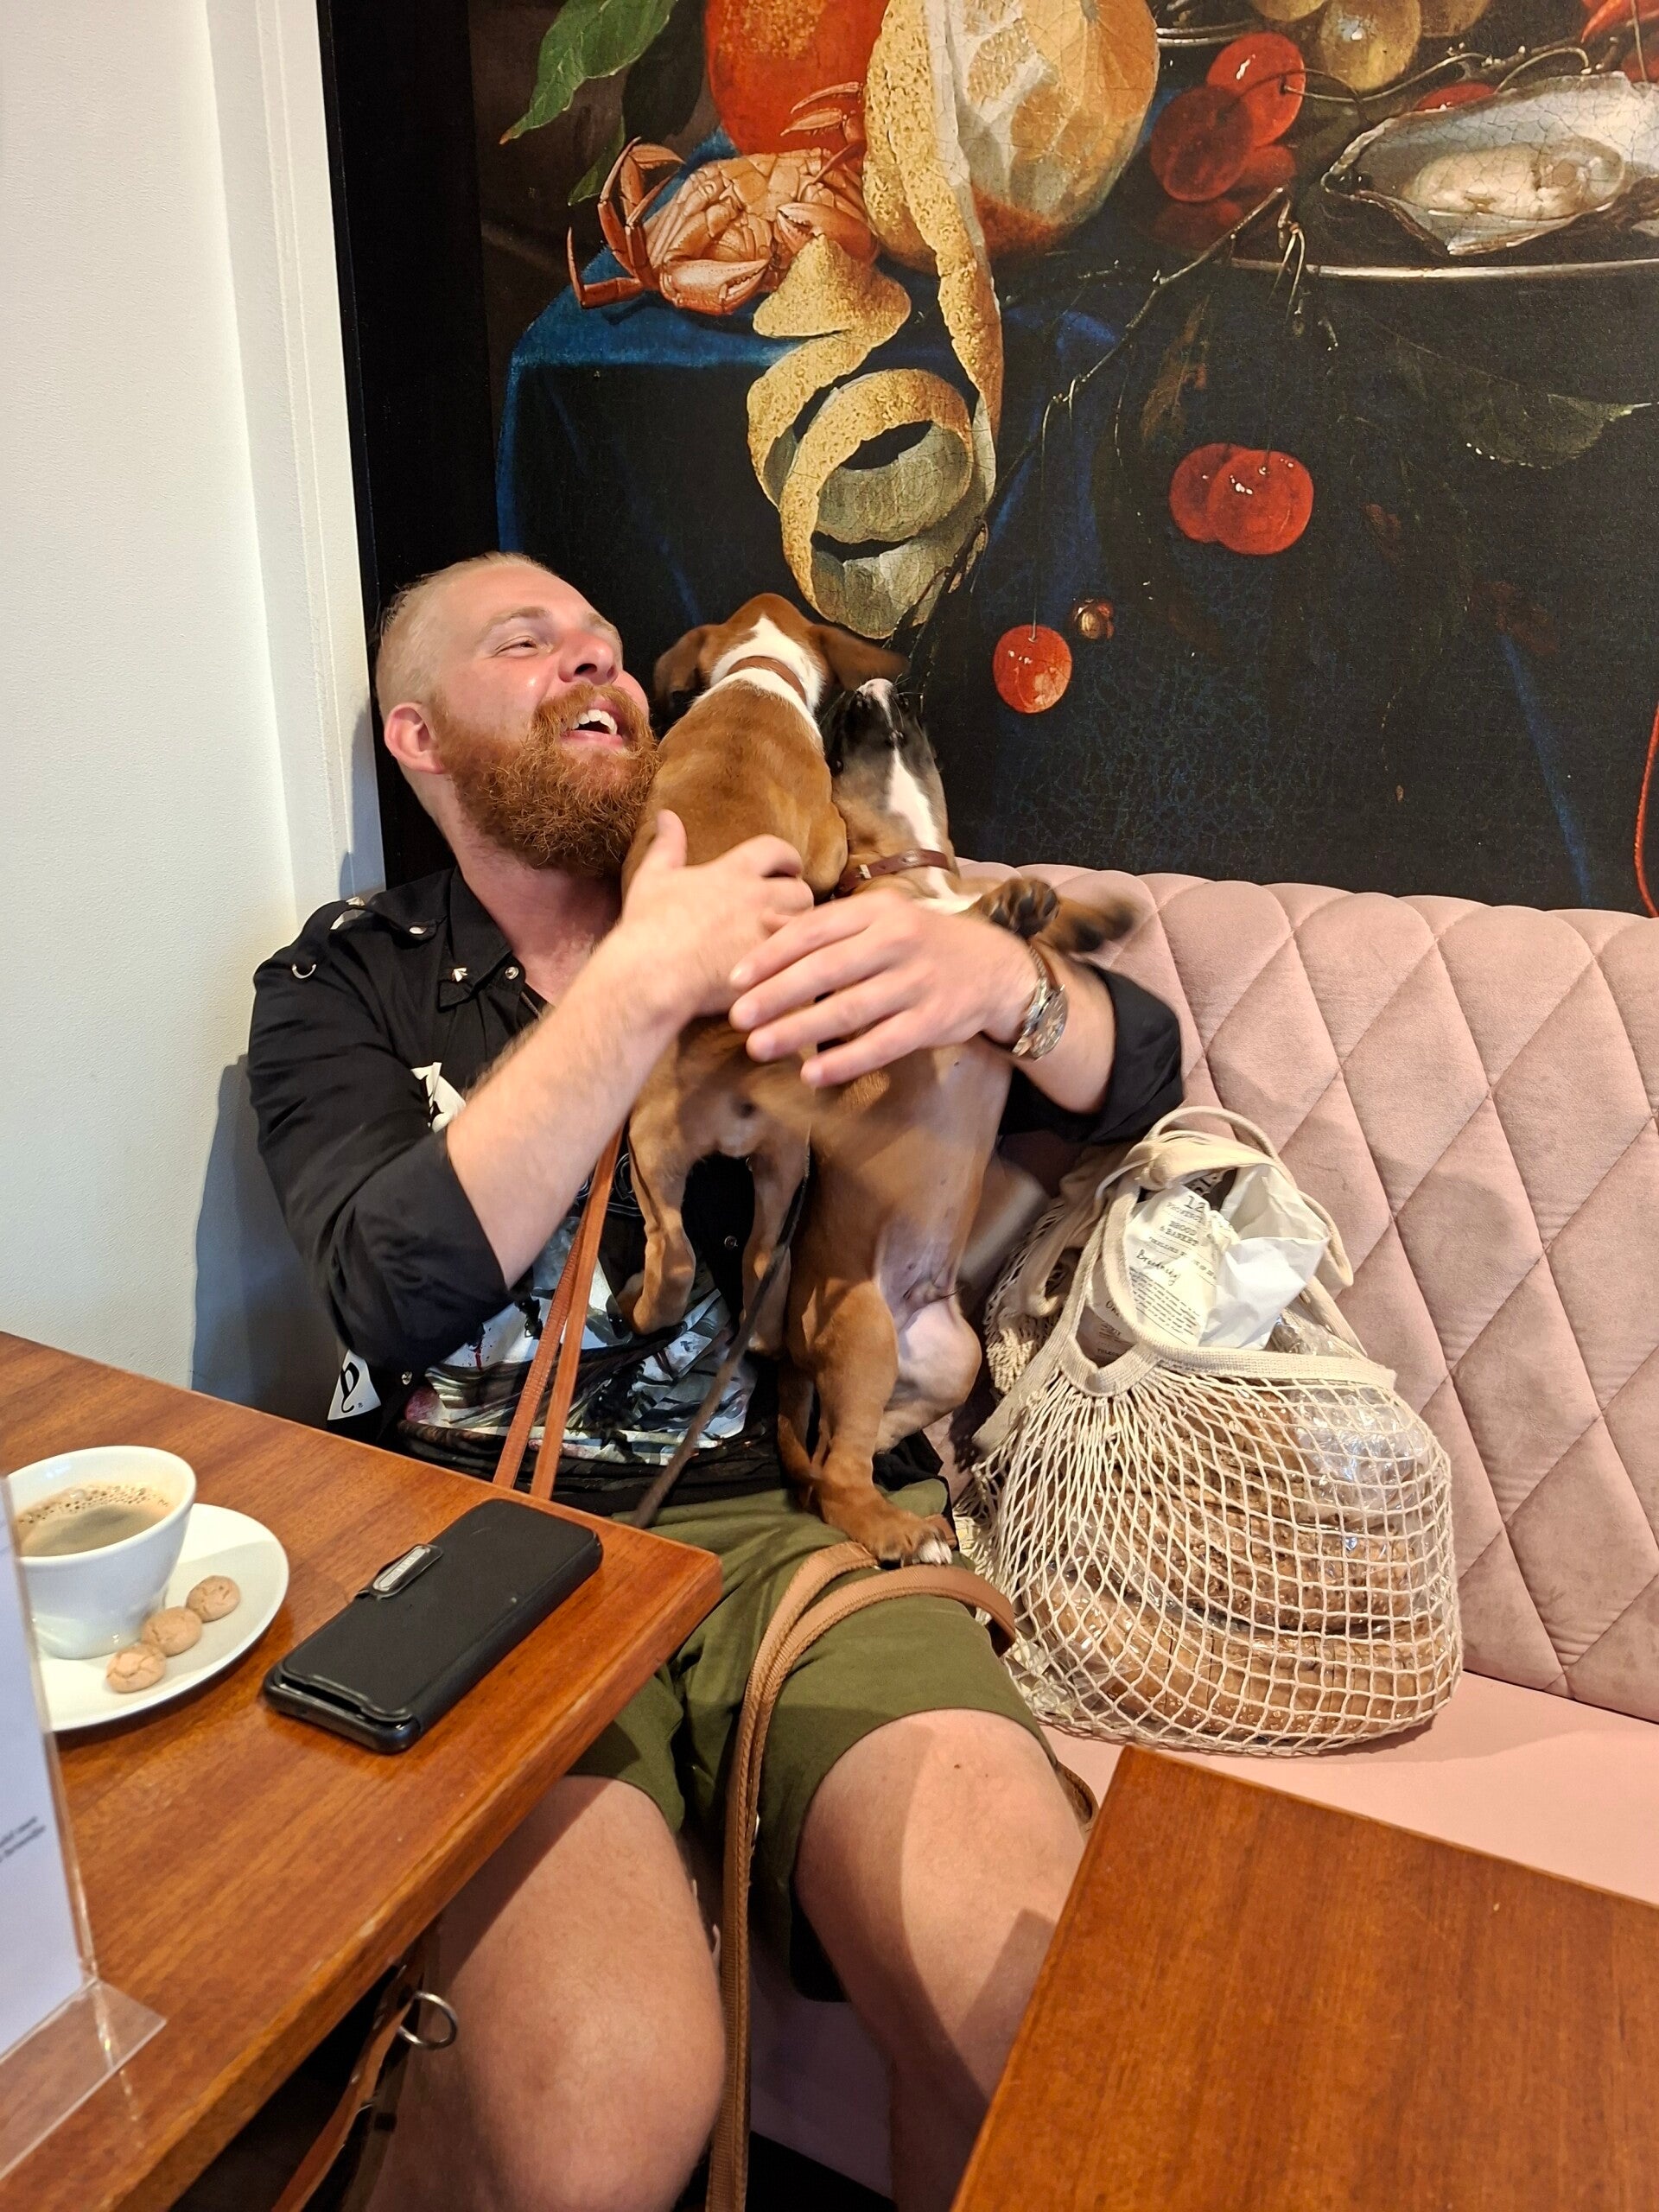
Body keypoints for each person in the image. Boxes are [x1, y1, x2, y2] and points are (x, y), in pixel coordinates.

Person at [249, 552, 1181, 2212]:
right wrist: (638, 981)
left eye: (609, 647)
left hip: (789, 1516)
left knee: (1040, 2019)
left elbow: (1138, 1077)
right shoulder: (341, 983)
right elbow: (386, 1291)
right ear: (418, 736)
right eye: (528, 644)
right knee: (600, 2121)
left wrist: (1005, 986)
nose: (594, 666)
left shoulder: (798, 897)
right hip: (493, 1542)